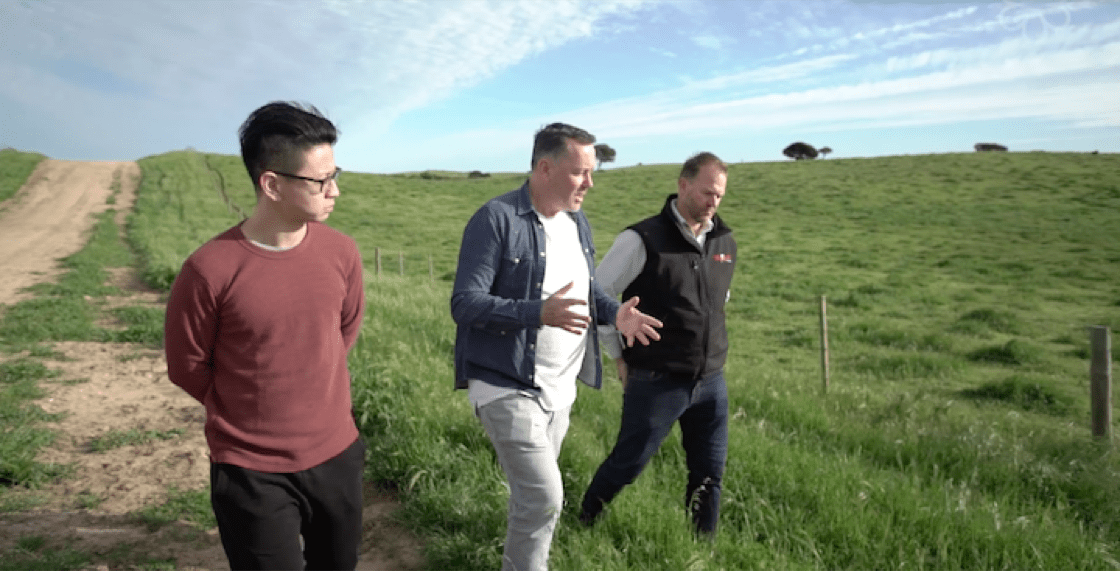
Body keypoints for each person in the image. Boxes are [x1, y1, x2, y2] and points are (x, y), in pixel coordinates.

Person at [451, 122, 663, 571]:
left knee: (533, 502)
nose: (589, 182)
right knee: (546, 499)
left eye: (592, 172)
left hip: (559, 390)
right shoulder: (495, 219)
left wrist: (615, 313)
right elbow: (465, 303)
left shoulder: (576, 222)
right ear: (545, 168)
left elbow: (587, 292)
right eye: (579, 172)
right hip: (506, 384)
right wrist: (536, 313)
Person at [164, 101, 366, 570]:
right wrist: (250, 411)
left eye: (336, 175)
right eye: (321, 181)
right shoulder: (208, 269)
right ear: (271, 184)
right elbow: (187, 366)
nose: (334, 191)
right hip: (250, 471)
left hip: (337, 454)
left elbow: (342, 333)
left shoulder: (342, 253)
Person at [578, 152, 736, 537]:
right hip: (656, 379)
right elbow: (597, 294)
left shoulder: (724, 240)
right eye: (706, 193)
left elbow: (719, 299)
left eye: (720, 196)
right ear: (683, 185)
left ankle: (703, 549)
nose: (714, 203)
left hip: (711, 382)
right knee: (629, 463)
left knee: (709, 474)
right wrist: (617, 354)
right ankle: (582, 520)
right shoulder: (641, 239)